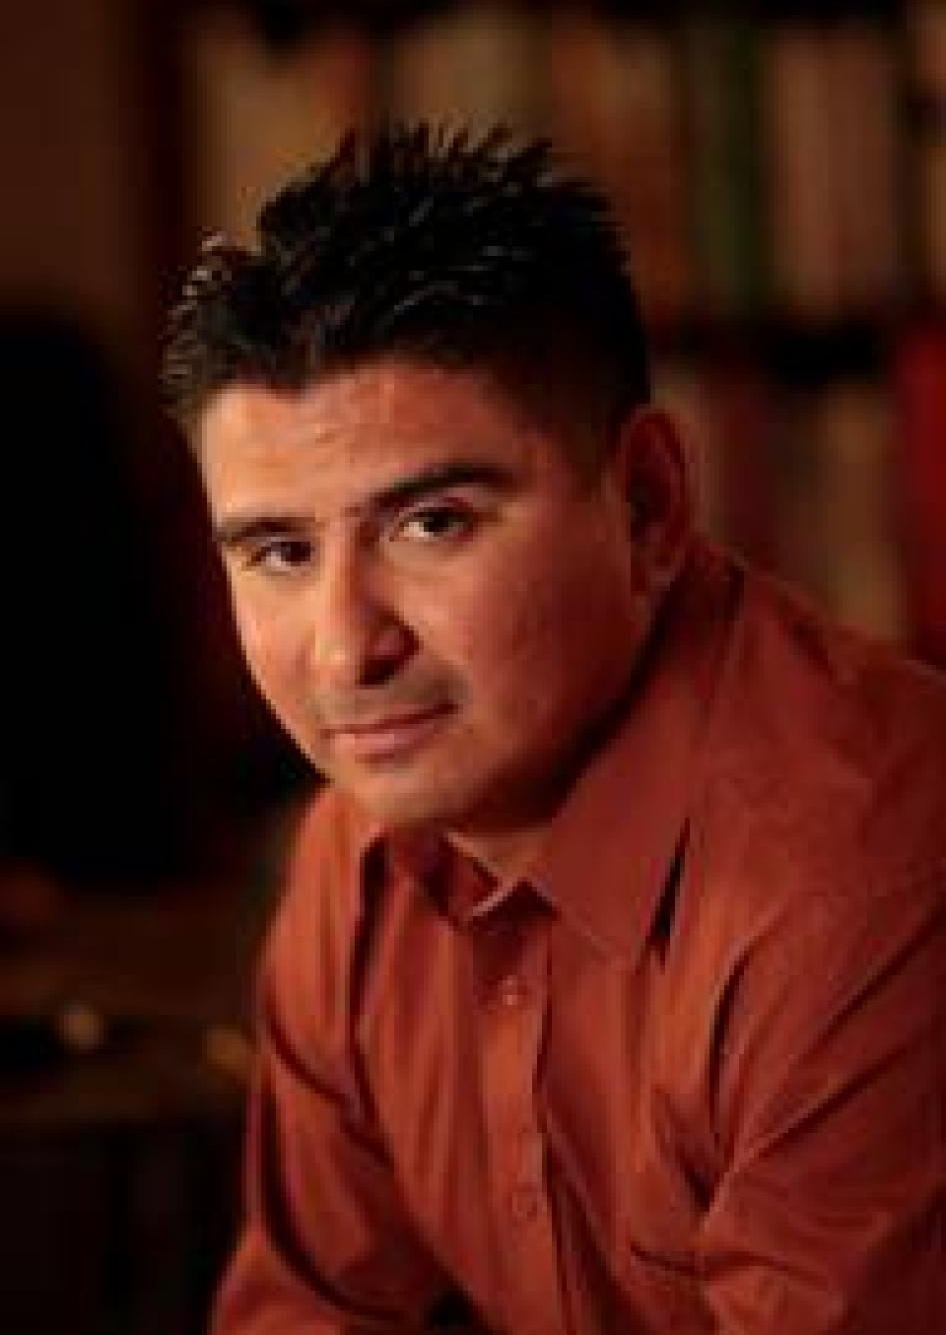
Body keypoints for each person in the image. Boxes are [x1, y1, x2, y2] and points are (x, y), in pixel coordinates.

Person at [161, 126, 944, 1335]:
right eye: (278, 550)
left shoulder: (863, 883)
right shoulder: (352, 852)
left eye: (431, 523)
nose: (344, 648)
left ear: (648, 503)